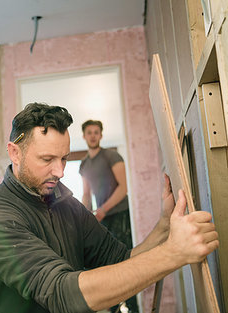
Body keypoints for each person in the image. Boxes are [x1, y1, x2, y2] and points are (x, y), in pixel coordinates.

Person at [0, 102, 219, 313]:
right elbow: (63, 293)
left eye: (64, 158)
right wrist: (174, 254)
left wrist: (165, 226)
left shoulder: (67, 205)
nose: (60, 171)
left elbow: (122, 261)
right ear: (15, 153)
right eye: (47, 159)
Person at [79, 120, 136, 312]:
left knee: (125, 262)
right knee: (106, 265)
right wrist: (82, 217)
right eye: (89, 132)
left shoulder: (112, 155)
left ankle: (133, 308)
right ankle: (115, 308)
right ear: (84, 136)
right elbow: (86, 194)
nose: (93, 135)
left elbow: (124, 187)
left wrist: (103, 209)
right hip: (101, 220)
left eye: (96, 132)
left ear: (101, 135)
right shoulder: (84, 164)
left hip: (119, 214)